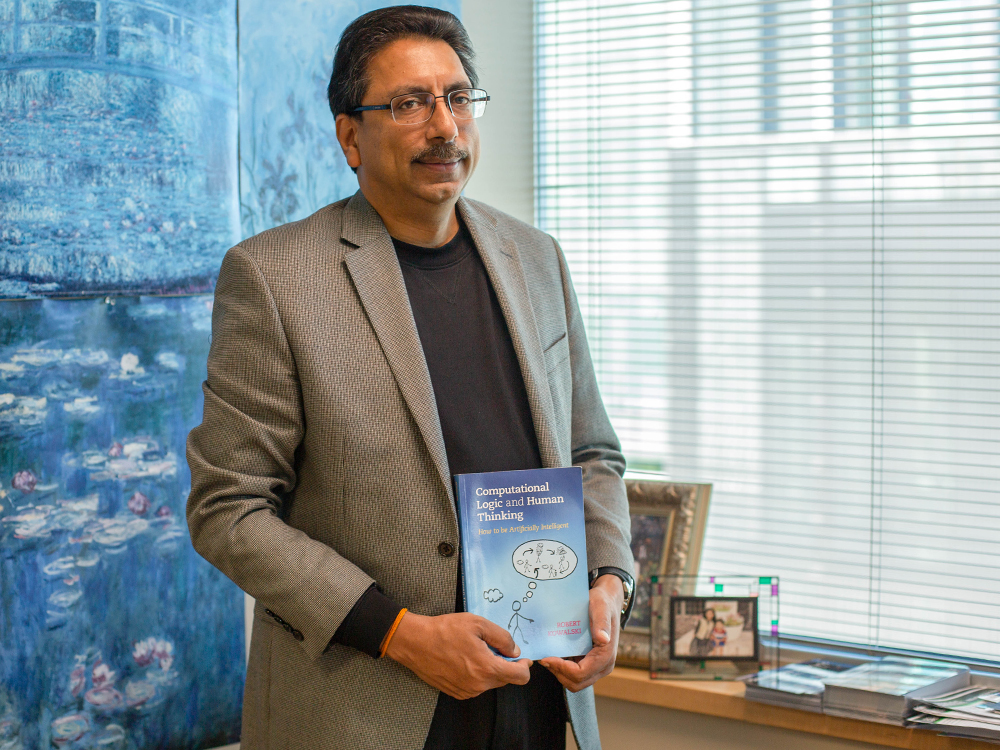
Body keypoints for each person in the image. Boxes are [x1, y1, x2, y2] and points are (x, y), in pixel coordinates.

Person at [185, 6, 634, 750]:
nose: (444, 127)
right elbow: (228, 510)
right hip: (369, 705)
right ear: (350, 135)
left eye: (458, 98)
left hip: (539, 693)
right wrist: (400, 634)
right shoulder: (273, 277)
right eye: (409, 103)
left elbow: (593, 455)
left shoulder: (537, 259)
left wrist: (611, 584)